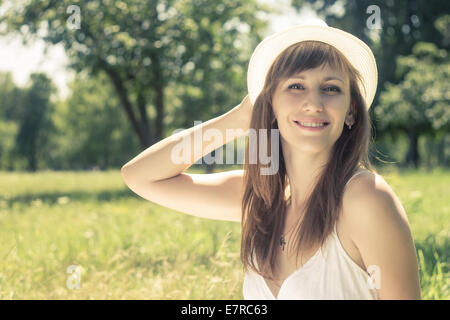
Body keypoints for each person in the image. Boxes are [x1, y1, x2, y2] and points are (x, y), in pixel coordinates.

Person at [121, 19, 421, 300]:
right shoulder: (261, 198)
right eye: (295, 86)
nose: (313, 103)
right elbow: (140, 177)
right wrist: (239, 119)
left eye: (331, 88)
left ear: (352, 111)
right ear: (270, 104)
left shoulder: (365, 198)